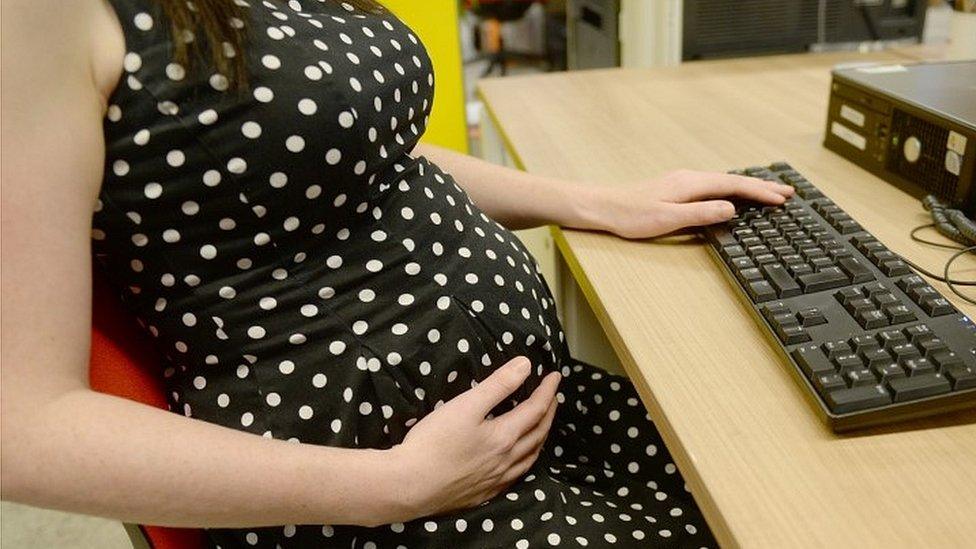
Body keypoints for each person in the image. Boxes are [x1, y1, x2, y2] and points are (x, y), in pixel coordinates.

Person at [0, 0, 794, 547]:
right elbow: (21, 427)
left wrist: (592, 201)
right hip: (377, 502)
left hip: (520, 431)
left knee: (766, 481)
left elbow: (353, 154)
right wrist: (392, 485)